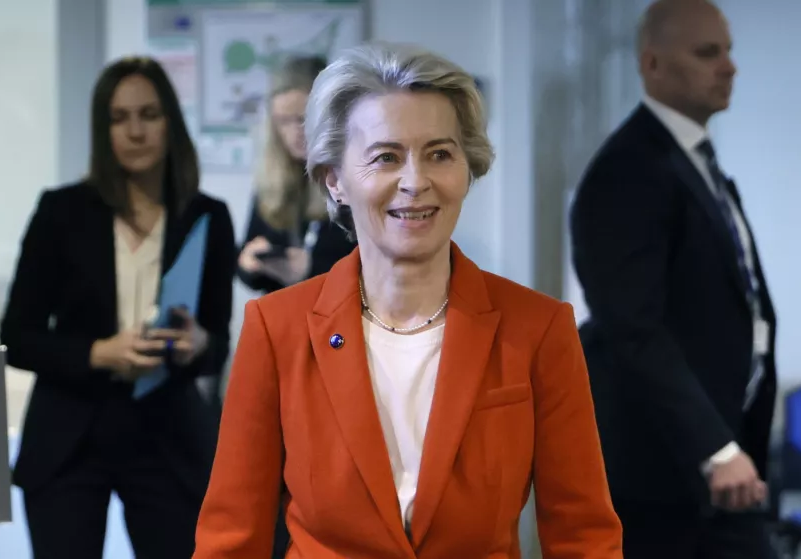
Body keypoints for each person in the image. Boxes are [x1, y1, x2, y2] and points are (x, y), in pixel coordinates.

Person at [193, 42, 623, 558]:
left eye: (440, 154)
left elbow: (584, 535)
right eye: (386, 157)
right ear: (336, 181)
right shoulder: (275, 329)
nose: (416, 182)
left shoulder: (539, 328)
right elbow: (231, 538)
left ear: (467, 169)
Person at [0, 56, 236, 559]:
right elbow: (17, 336)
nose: (135, 130)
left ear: (170, 121)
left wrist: (198, 344)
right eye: (119, 117)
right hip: (69, 432)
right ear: (102, 129)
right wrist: (100, 353)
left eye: (148, 114)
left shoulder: (208, 216)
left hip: (166, 433)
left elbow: (218, 343)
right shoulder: (61, 212)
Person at [570, 1, 778, 557]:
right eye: (708, 53)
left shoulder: (696, 164)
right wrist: (715, 449)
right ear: (653, 64)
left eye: (729, 50)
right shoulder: (629, 170)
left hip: (716, 461)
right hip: (666, 471)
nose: (729, 66)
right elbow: (632, 327)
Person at [237, 55, 356, 296]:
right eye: (283, 121)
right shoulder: (271, 180)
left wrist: (310, 269)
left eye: (303, 119)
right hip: (282, 322)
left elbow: (376, 277)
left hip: (340, 324)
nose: (295, 132)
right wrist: (248, 264)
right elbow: (249, 276)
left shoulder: (357, 182)